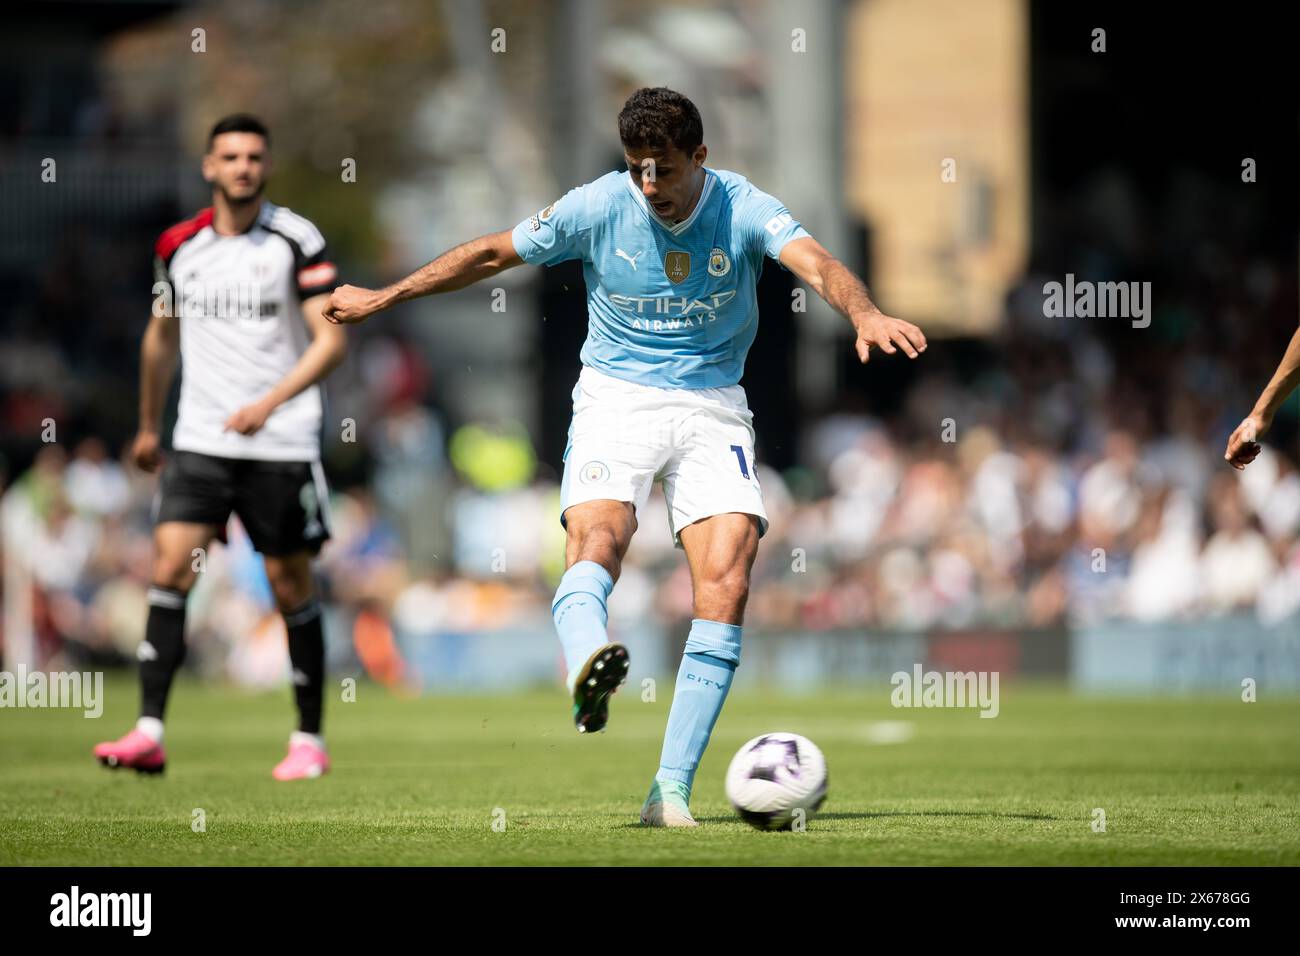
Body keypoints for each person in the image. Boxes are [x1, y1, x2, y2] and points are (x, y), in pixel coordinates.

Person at [323, 88, 925, 825]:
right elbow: (490, 251)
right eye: (638, 168)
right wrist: (386, 296)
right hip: (615, 398)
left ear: (699, 158)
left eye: (664, 170)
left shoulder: (742, 206)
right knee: (599, 538)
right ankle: (585, 663)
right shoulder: (598, 204)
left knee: (727, 576)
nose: (649, 185)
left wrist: (864, 311)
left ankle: (668, 791)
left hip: (712, 403)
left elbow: (818, 262)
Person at [94, 114, 346, 780]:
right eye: (230, 156)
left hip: (281, 440)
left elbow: (330, 340)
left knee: (290, 582)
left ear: (266, 167)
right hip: (200, 437)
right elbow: (161, 334)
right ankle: (149, 729)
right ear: (208, 166)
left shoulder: (296, 240)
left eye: (254, 156)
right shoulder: (177, 245)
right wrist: (150, 425)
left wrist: (269, 404)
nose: (242, 167)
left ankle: (308, 740)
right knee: (171, 564)